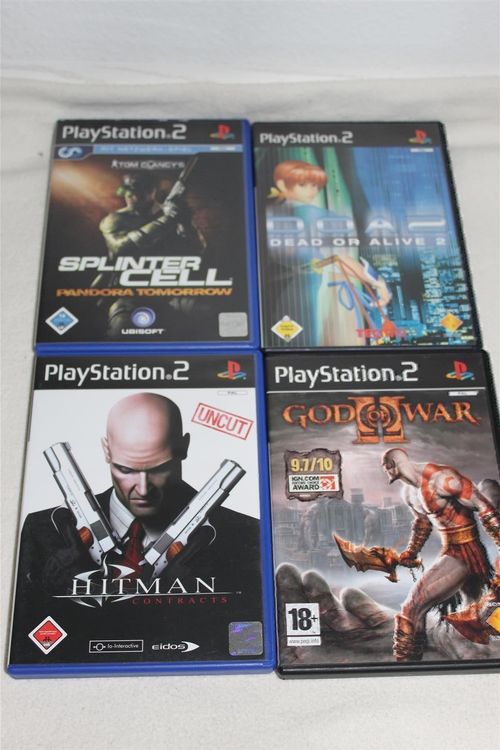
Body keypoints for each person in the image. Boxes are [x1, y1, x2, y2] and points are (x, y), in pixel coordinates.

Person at [11, 394, 261, 663]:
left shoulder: (244, 535)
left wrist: (196, 601)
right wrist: (57, 595)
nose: (142, 489)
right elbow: (29, 647)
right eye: (126, 469)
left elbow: (247, 642)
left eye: (159, 468)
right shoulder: (43, 531)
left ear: (183, 447)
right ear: (106, 450)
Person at [380, 448, 500, 661]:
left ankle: (406, 666)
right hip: (450, 550)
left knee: (413, 606)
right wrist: (411, 552)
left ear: (396, 464)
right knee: (475, 613)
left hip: (466, 552)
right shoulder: (408, 492)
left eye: (386, 466)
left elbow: (484, 507)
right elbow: (422, 523)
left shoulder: (443, 479)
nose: (385, 470)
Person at [267, 160, 392, 346]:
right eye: (303, 185)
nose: (312, 191)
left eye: (315, 186)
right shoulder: (311, 214)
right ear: (282, 184)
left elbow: (334, 259)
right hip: (299, 294)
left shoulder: (270, 212)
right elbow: (338, 258)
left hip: (288, 294)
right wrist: (377, 282)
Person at [97, 172, 205, 336]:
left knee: (204, 316)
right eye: (127, 190)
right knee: (121, 330)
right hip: (129, 295)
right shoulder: (115, 219)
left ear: (152, 191)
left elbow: (195, 251)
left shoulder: (170, 213)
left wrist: (185, 223)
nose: (130, 195)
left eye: (138, 190)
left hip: (170, 293)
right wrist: (168, 219)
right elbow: (122, 248)